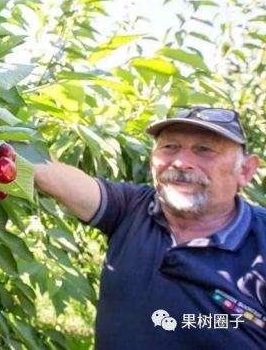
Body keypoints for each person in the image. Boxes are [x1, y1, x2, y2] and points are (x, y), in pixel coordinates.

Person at [34, 106, 266, 349]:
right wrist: (5, 138)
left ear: (245, 170)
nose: (181, 162)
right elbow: (48, 172)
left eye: (204, 150)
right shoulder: (131, 209)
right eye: (170, 147)